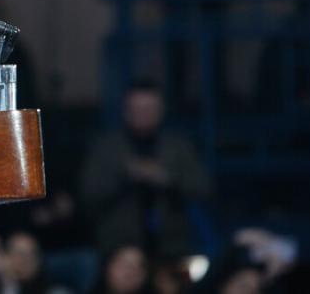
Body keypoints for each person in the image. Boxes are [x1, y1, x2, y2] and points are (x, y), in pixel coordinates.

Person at [80, 81, 212, 259]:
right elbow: (89, 194)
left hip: (172, 246)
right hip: (118, 248)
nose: (143, 114)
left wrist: (167, 178)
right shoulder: (106, 148)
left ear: (161, 110)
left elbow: (203, 187)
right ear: (126, 111)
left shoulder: (179, 146)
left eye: (149, 109)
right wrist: (126, 175)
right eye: (137, 109)